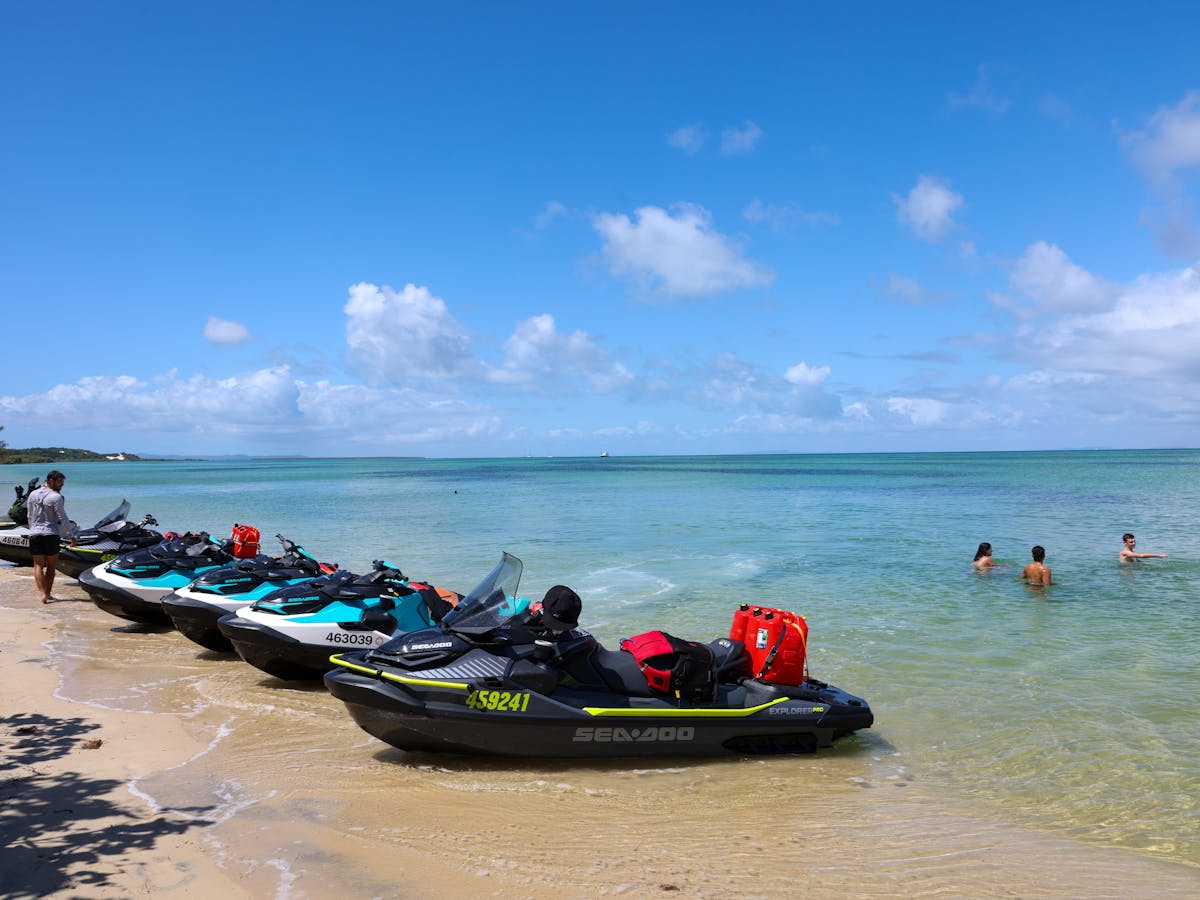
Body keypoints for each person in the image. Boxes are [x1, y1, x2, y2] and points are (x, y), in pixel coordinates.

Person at [27, 470, 77, 604]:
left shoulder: (32, 494)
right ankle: (47, 594)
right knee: (51, 567)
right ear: (51, 481)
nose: (62, 485)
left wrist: (32, 529)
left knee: (37, 565)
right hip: (51, 534)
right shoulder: (56, 497)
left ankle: (42, 594)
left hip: (35, 534)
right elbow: (62, 517)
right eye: (60, 482)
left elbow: (29, 515)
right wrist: (71, 535)